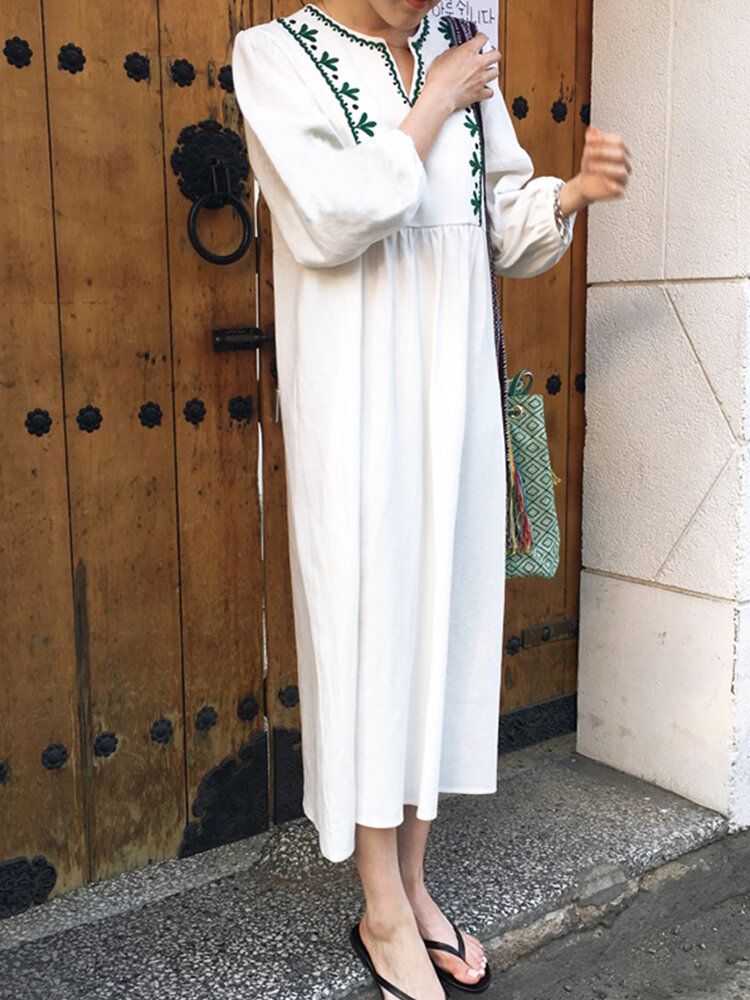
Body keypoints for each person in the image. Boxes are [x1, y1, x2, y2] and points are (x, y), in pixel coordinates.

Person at [232, 2, 631, 997]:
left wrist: (568, 194)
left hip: (452, 398)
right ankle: (377, 904)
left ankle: (413, 880)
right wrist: (432, 106)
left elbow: (500, 222)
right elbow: (326, 218)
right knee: (373, 626)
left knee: (443, 623)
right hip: (359, 398)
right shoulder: (274, 56)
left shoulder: (457, 54)